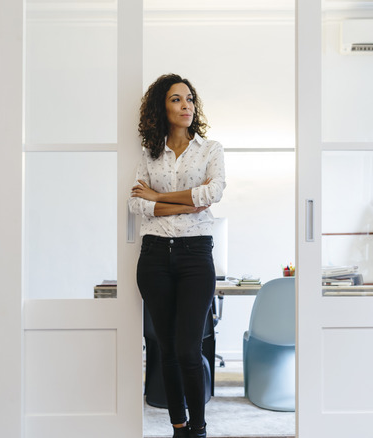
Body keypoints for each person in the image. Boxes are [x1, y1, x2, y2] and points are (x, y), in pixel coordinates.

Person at [128, 73, 225, 438]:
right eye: (176, 100)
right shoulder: (149, 153)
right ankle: (179, 427)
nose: (186, 106)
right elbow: (137, 202)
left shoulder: (210, 149)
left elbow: (211, 195)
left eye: (189, 99)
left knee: (187, 348)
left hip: (195, 256)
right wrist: (179, 200)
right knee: (165, 349)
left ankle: (198, 428)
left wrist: (159, 198)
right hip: (154, 257)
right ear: (162, 107)